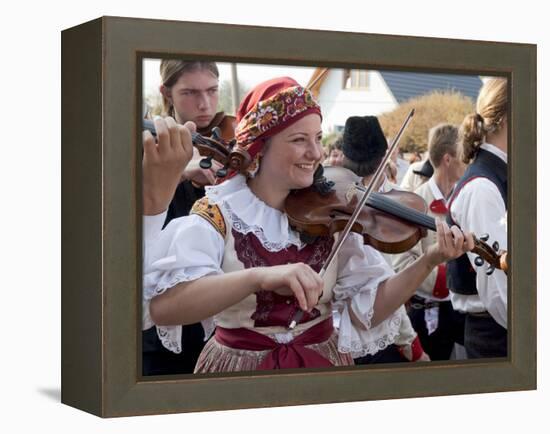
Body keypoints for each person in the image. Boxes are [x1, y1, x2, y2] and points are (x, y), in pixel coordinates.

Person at [142, 76, 474, 373]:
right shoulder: (219, 213)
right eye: (300, 139)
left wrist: (428, 261)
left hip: (322, 367)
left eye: (318, 137)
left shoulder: (332, 215)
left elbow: (369, 309)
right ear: (259, 147)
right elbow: (165, 308)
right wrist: (259, 277)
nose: (315, 152)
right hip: (239, 371)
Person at [142, 60, 234, 376]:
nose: (205, 104)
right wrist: (181, 174)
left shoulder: (228, 141)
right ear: (166, 92)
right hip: (161, 319)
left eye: (211, 91)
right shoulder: (150, 145)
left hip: (219, 315)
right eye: (190, 93)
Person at [341, 115, 429, 364]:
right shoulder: (330, 206)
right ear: (384, 157)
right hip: (368, 342)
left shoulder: (399, 205)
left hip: (377, 336)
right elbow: (387, 290)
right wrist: (413, 346)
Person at [393, 123, 467, 360]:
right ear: (448, 159)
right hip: (427, 311)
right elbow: (402, 266)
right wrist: (453, 278)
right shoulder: (415, 203)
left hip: (462, 308)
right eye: (464, 156)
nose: (469, 162)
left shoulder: (467, 197)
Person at [446, 78, 508, 359]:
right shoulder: (482, 187)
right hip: (496, 337)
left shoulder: (498, 176)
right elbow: (499, 293)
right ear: (509, 118)